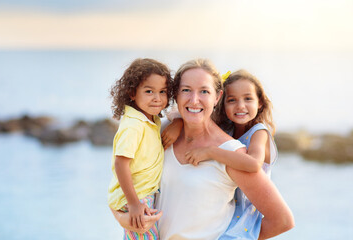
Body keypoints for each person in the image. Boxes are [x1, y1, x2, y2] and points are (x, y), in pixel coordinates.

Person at [112, 59, 294, 240]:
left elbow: (282, 220)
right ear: (175, 95)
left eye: (204, 91)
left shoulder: (231, 153)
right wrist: (122, 218)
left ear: (217, 97)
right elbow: (121, 185)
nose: (194, 99)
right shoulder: (161, 132)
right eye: (186, 90)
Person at [164, 69, 278, 239]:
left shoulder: (258, 132)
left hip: (247, 214)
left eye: (248, 99)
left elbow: (253, 164)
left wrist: (211, 152)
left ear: (260, 102)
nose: (240, 106)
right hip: (232, 208)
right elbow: (191, 112)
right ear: (221, 103)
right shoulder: (229, 129)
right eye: (232, 100)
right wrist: (178, 123)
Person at [107, 58, 172, 240]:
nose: (157, 98)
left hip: (141, 195)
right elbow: (121, 164)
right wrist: (134, 203)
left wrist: (179, 123)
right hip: (136, 197)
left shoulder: (151, 119)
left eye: (163, 92)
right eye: (149, 91)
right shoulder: (134, 125)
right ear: (132, 93)